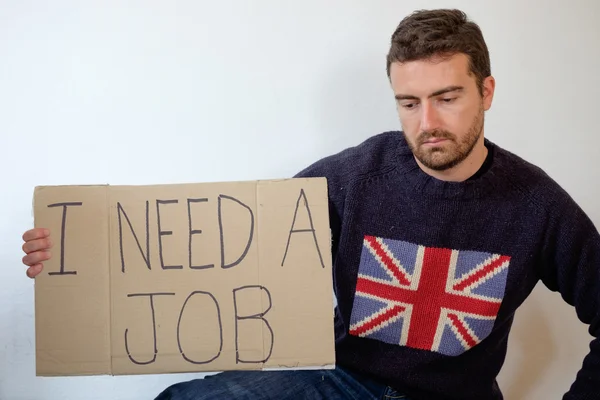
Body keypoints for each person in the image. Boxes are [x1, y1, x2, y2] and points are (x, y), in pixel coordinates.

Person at [20, 8, 600, 400]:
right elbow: (219, 252)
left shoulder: (539, 205)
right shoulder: (356, 174)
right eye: (408, 102)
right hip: (342, 381)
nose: (427, 123)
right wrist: (77, 256)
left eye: (447, 97)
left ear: (486, 92)